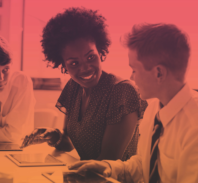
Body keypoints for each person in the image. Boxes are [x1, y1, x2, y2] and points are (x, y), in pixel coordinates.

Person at [69, 23, 198, 183]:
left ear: (158, 73)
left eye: (134, 69)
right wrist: (108, 167)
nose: (132, 77)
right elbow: (143, 164)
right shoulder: (155, 108)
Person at [21, 7, 147, 161]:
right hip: (86, 175)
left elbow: (108, 161)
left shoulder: (121, 91)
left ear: (100, 51)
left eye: (90, 57)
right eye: (74, 63)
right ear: (63, 65)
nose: (85, 68)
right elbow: (69, 143)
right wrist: (52, 135)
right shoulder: (73, 88)